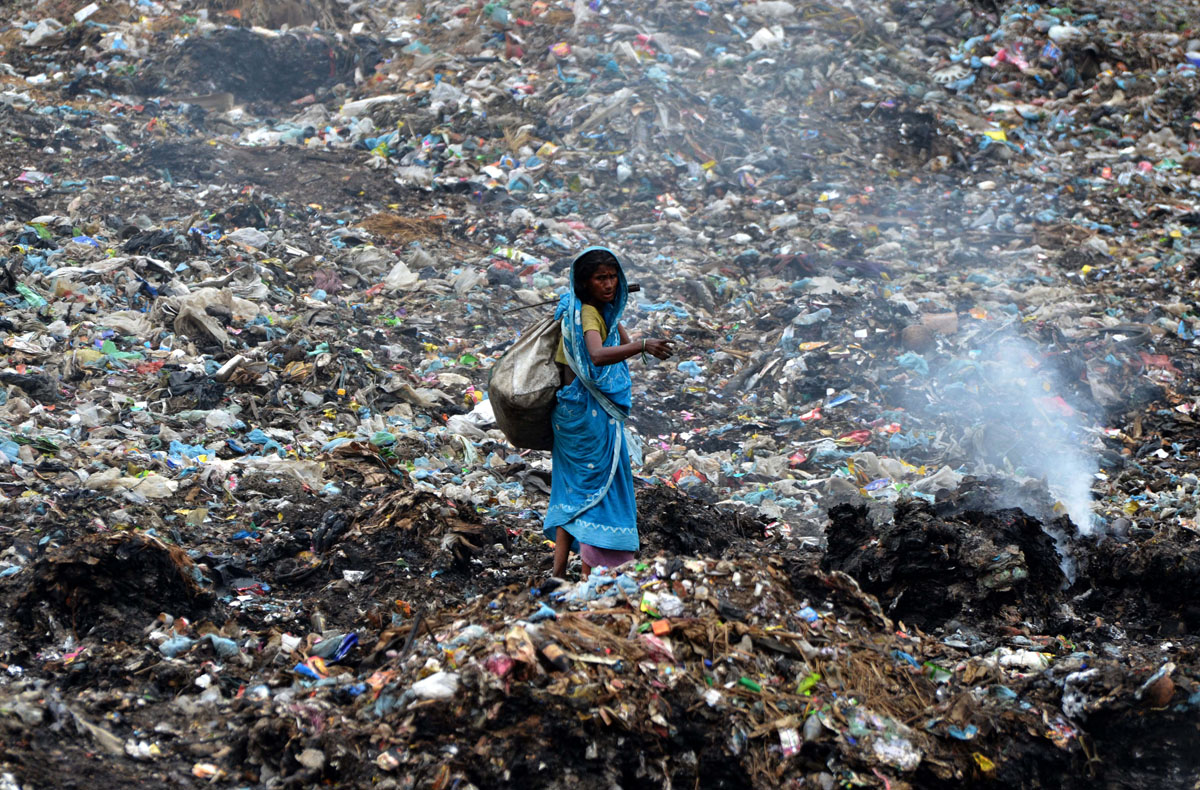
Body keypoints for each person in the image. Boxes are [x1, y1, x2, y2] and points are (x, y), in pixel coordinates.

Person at [542, 247, 674, 580]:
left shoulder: (591, 310)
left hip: (572, 414)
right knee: (598, 492)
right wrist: (643, 346)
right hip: (586, 418)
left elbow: (619, 340)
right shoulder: (587, 313)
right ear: (584, 283)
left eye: (613, 276)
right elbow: (599, 356)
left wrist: (633, 334)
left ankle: (557, 575)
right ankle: (590, 577)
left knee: (573, 492)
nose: (610, 284)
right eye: (601, 278)